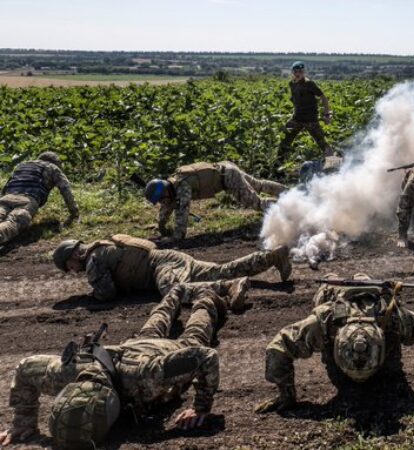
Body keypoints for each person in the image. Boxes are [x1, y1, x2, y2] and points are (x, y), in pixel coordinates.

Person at [0, 281, 247, 447]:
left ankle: (207, 297)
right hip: (131, 348)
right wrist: (23, 423)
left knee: (197, 330)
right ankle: (175, 292)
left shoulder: (149, 376)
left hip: (161, 355)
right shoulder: (64, 374)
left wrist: (201, 408)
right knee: (157, 320)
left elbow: (205, 357)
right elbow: (26, 367)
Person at [255, 273, 414, 413]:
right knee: (326, 289)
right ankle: (340, 281)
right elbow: (279, 347)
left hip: (379, 324)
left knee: (372, 285)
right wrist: (286, 395)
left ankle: (363, 279)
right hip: (337, 298)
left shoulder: (393, 318)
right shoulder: (324, 321)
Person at [52, 234, 291, 301]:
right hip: (170, 258)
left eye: (69, 266)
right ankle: (272, 257)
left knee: (171, 291)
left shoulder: (94, 260)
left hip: (163, 265)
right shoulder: (102, 248)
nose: (72, 271)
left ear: (74, 255)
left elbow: (106, 294)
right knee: (224, 269)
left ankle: (229, 288)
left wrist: (90, 296)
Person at [144, 161, 286, 243]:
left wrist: (175, 237)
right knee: (258, 185)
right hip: (226, 168)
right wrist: (162, 228)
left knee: (256, 203)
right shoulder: (171, 187)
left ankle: (287, 207)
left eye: (161, 199)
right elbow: (166, 209)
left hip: (228, 178)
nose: (162, 202)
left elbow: (182, 215)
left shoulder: (182, 187)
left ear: (165, 192)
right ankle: (289, 193)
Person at [0, 152, 79, 245]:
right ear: (56, 163)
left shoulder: (23, 165)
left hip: (6, 197)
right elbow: (65, 189)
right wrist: (74, 211)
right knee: (13, 223)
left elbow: (8, 185)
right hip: (27, 200)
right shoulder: (52, 167)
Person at [278, 61, 333, 158]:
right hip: (297, 119)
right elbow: (296, 102)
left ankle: (334, 164)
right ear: (292, 72)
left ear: (304, 72)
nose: (298, 73)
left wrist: (327, 114)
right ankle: (278, 166)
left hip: (310, 120)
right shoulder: (292, 84)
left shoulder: (309, 84)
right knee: (285, 140)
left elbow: (323, 97)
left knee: (322, 143)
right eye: (296, 71)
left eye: (300, 71)